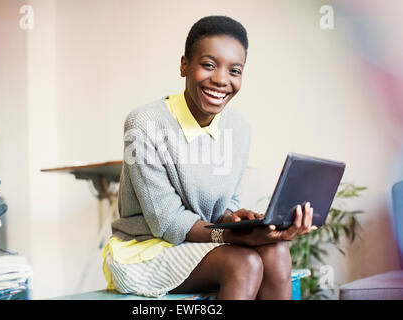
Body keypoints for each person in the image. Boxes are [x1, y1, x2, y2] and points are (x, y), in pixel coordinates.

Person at [102, 15, 317, 300]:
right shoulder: (144, 123)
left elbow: (226, 205)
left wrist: (238, 220)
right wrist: (235, 236)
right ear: (184, 65)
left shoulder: (239, 127)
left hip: (203, 243)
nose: (221, 80)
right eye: (209, 65)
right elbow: (166, 222)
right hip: (144, 250)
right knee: (245, 264)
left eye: (235, 70)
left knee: (276, 250)